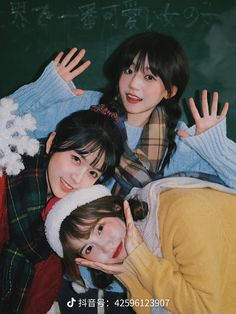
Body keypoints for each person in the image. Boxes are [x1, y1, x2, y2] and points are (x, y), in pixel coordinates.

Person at [10, 31, 236, 191]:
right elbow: (6, 130)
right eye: (128, 70)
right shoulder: (86, 105)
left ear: (169, 90)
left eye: (149, 77)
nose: (133, 84)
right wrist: (43, 91)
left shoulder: (178, 139)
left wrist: (214, 146)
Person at [45, 178, 236, 314]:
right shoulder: (136, 256)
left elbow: (207, 310)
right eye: (89, 249)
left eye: (100, 228)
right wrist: (129, 271)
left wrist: (141, 262)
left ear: (116, 208)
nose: (106, 247)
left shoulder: (183, 214)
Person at [0, 107, 123, 314]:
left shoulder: (61, 231)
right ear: (51, 143)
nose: (77, 178)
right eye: (76, 159)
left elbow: (39, 300)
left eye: (92, 172)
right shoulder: (6, 175)